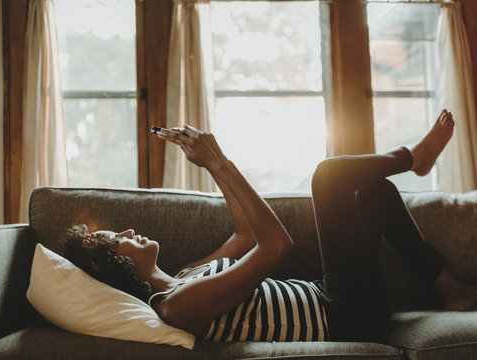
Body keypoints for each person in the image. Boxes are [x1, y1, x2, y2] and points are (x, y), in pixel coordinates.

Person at [64, 109, 477, 343]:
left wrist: (211, 165)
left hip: (332, 294)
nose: (128, 231)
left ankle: (450, 289)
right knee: (329, 176)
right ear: (115, 267)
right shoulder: (176, 306)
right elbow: (275, 245)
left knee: (375, 193)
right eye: (117, 240)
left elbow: (244, 236)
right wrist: (219, 161)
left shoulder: (185, 276)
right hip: (346, 316)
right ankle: (414, 158)